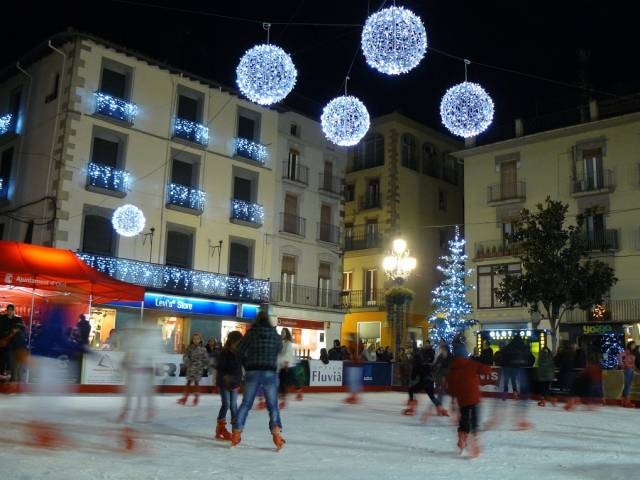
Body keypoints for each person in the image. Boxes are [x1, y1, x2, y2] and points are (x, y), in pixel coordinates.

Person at [232, 311, 285, 449]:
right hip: (269, 371)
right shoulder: (274, 335)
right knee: (272, 405)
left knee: (246, 404)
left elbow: (239, 351)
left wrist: (246, 363)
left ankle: (236, 433)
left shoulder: (251, 334)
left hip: (252, 371)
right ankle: (276, 434)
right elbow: (280, 349)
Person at [446, 337, 491, 458]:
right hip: (473, 396)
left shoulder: (451, 369)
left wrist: (453, 400)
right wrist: (483, 361)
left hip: (462, 399)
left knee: (464, 418)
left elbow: (450, 389)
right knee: (475, 418)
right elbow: (487, 371)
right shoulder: (472, 363)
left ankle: (462, 438)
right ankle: (474, 440)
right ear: (465, 354)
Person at [403, 341, 448, 419]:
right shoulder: (426, 364)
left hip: (423, 382)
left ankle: (411, 407)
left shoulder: (416, 365)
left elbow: (413, 376)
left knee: (411, 390)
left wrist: (412, 379)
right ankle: (440, 408)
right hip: (430, 382)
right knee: (432, 396)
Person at [501, 334, 535, 429]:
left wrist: (504, 365)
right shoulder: (523, 347)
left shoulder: (508, 347)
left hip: (508, 368)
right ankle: (521, 418)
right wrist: (527, 364)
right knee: (519, 385)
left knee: (507, 380)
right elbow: (531, 358)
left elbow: (502, 357)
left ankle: (505, 394)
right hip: (518, 368)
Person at [215, 331, 243, 441]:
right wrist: (225, 377)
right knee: (226, 404)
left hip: (235, 383)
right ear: (232, 341)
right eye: (237, 342)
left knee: (234, 406)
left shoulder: (240, 353)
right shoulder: (224, 352)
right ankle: (220, 428)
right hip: (224, 383)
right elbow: (220, 368)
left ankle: (235, 430)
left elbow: (240, 369)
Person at [176, 332, 208, 406]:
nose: (195, 340)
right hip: (191, 367)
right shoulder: (190, 347)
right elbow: (186, 356)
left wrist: (206, 365)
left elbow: (205, 358)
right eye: (194, 339)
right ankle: (185, 397)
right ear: (192, 340)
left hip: (198, 368)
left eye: (197, 339)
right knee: (188, 382)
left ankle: (196, 397)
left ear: (200, 340)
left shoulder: (203, 349)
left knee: (196, 382)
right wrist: (187, 362)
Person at [278, 328, 302, 408]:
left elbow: (287, 354)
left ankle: (285, 401)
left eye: (283, 332)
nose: (282, 334)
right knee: (284, 382)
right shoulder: (281, 342)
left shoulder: (288, 343)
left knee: (286, 382)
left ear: (287, 334)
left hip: (287, 365)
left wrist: (286, 363)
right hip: (281, 365)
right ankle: (296, 394)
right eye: (281, 332)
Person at [619, 340, 637, 408]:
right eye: (633, 345)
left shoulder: (633, 353)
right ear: (630, 345)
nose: (634, 346)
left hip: (632, 369)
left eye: (634, 345)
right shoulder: (626, 352)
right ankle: (627, 402)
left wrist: (635, 369)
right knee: (628, 385)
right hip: (628, 369)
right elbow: (620, 356)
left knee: (628, 385)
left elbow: (634, 362)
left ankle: (624, 401)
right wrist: (622, 365)